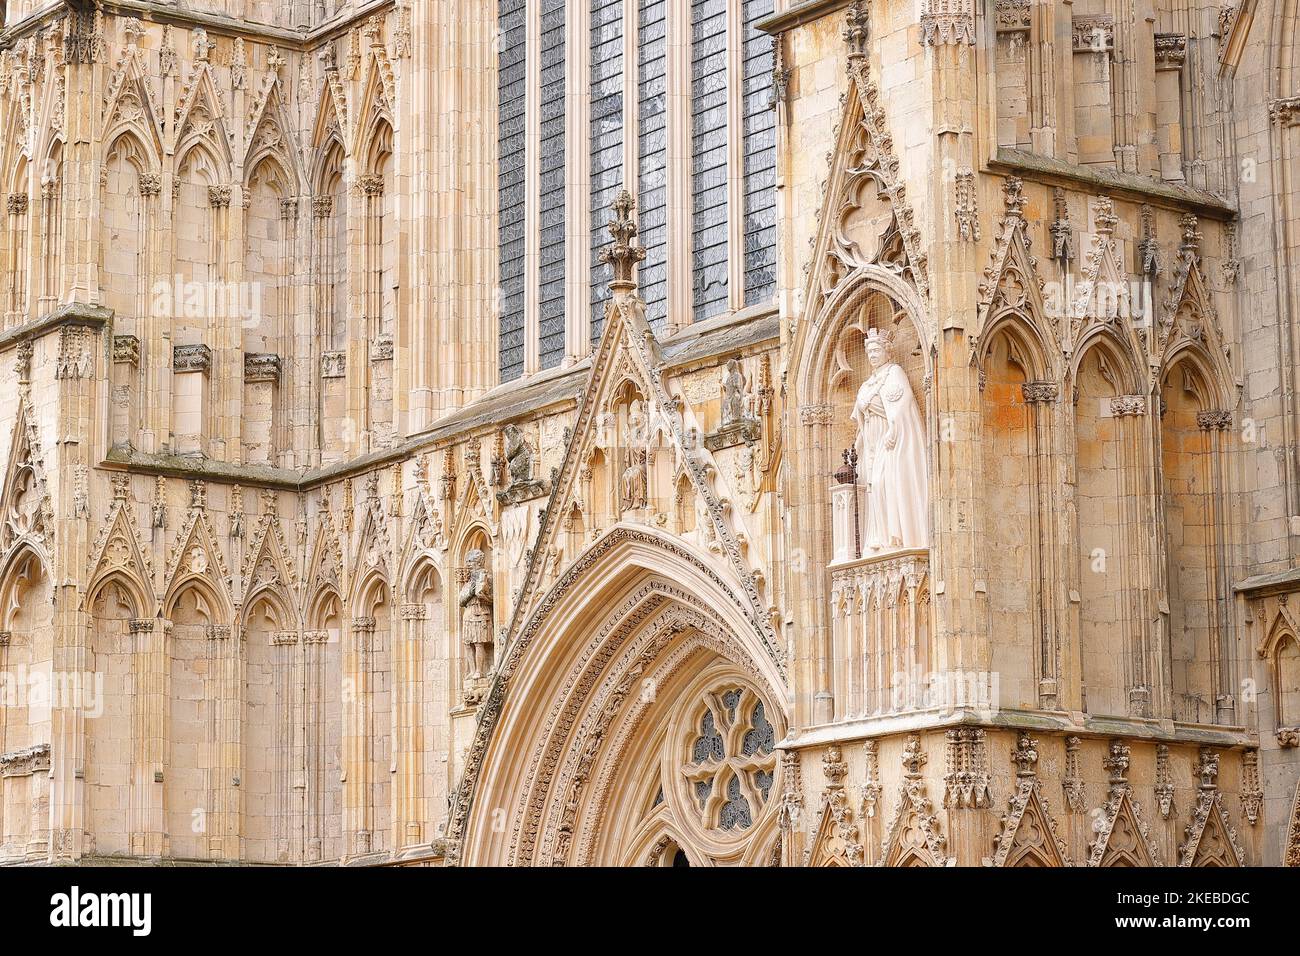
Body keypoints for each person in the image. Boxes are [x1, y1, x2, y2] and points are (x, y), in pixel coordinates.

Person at [850, 329, 928, 552]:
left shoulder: (894, 373)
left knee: (884, 481)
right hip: (871, 440)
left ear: (887, 352)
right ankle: (879, 537)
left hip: (889, 438)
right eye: (869, 352)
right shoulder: (867, 384)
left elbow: (902, 404)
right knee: (872, 486)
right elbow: (860, 417)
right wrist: (859, 443)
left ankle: (896, 536)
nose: (872, 355)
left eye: (876, 350)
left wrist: (894, 428)